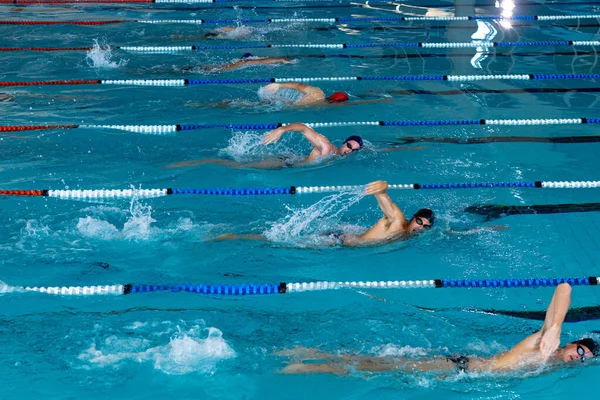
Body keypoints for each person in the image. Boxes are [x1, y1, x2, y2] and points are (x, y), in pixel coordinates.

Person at [280, 283, 599, 375]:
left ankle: (312, 358)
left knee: (381, 367)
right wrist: (555, 328)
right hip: (462, 367)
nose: (579, 357)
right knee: (376, 366)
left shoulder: (554, 366)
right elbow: (564, 288)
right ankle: (309, 360)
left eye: (585, 358)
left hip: (468, 370)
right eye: (580, 350)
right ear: (572, 344)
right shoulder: (544, 342)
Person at [211, 180, 435, 246]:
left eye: (425, 226)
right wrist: (382, 190)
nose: (420, 227)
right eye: (419, 221)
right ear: (413, 216)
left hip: (350, 239)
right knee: (279, 241)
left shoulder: (410, 234)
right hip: (337, 242)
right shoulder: (397, 221)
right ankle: (231, 236)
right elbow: (388, 206)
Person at [164, 122, 364, 170]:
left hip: (290, 162)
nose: (349, 150)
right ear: (343, 141)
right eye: (348, 145)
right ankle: (194, 162)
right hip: (284, 164)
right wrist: (282, 130)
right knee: (237, 165)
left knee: (240, 161)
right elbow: (303, 128)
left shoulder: (338, 157)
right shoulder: (327, 148)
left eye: (353, 150)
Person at [260, 82, 393, 107]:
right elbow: (356, 103)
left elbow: (297, 86)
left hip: (283, 102)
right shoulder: (325, 104)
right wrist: (377, 101)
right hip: (285, 106)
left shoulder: (317, 92)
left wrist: (279, 85)